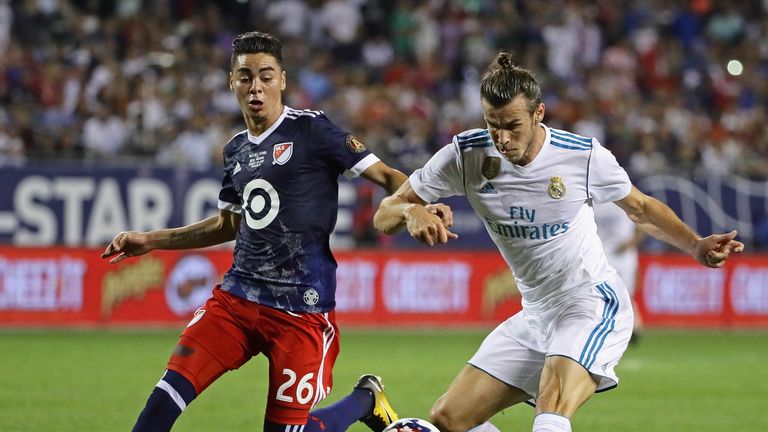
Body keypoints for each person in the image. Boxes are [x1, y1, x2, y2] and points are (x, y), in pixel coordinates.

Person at [373, 52, 744, 432]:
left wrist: (695, 244)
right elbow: (384, 213)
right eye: (492, 125)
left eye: (513, 125)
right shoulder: (465, 155)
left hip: (590, 302)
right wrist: (408, 212)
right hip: (535, 314)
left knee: (551, 406)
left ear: (539, 114)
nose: (501, 138)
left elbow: (641, 208)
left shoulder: (581, 157)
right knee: (450, 420)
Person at [102, 31, 413, 432]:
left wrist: (415, 206)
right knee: (164, 399)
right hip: (237, 300)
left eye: (266, 76)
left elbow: (387, 175)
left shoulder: (312, 130)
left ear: (282, 79)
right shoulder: (236, 150)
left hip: (300, 310)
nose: (256, 87)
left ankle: (365, 399)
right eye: (245, 76)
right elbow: (226, 225)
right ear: (232, 82)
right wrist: (150, 239)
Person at [594, 202, 646, 341]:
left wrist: (632, 242)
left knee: (626, 294)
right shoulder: (593, 199)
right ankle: (614, 329)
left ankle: (633, 329)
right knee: (601, 294)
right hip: (601, 254)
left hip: (624, 256)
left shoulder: (623, 197)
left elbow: (644, 222)